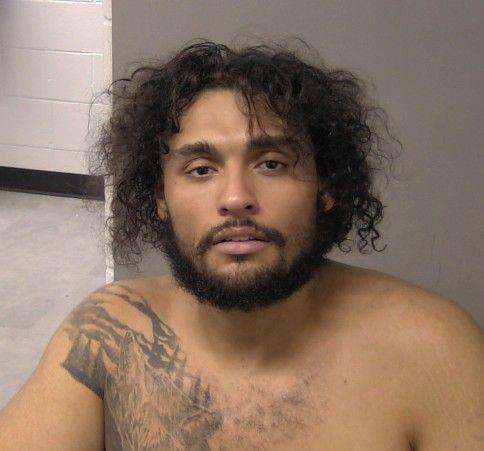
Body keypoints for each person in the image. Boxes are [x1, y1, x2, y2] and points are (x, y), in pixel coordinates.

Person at [0, 38, 482, 450]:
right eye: (200, 170)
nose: (235, 198)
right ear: (160, 197)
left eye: (271, 164)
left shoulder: (433, 349)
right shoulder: (109, 332)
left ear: (327, 186)